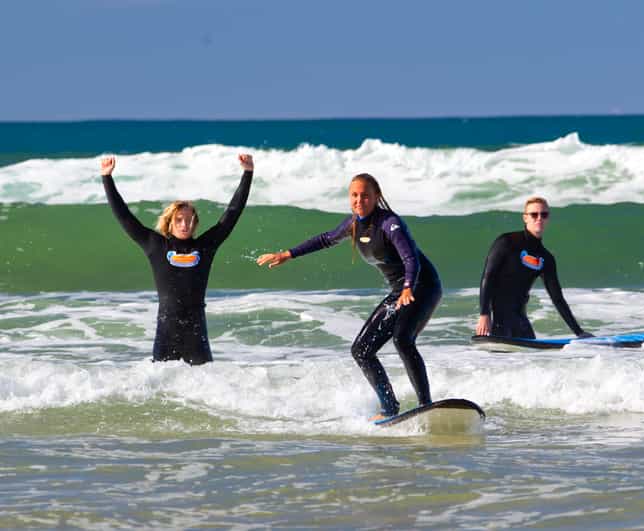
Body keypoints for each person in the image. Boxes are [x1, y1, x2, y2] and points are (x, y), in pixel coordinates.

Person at [256, 173, 441, 420]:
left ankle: (425, 404)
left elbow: (411, 259)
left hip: (422, 286)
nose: (359, 200)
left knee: (403, 340)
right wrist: (288, 254)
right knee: (362, 350)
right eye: (354, 195)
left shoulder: (390, 223)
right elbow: (325, 239)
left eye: (365, 195)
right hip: (400, 291)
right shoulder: (353, 223)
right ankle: (389, 408)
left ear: (376, 196)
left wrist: (408, 286)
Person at [101, 153, 254, 365]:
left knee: (204, 387)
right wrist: (106, 177)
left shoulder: (205, 246)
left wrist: (248, 173)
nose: (185, 224)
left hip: (196, 334)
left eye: (190, 220)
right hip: (166, 331)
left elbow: (232, 213)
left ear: (196, 223)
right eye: (180, 220)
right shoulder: (155, 245)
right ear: (170, 222)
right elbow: (124, 216)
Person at [475, 196, 591, 339]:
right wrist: (484, 314)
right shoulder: (506, 242)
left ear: (548, 218)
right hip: (497, 321)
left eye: (544, 214)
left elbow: (557, 298)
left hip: (521, 321)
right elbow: (488, 277)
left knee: (531, 358)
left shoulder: (546, 258)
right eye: (534, 214)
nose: (539, 218)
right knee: (501, 359)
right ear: (525, 218)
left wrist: (579, 332)